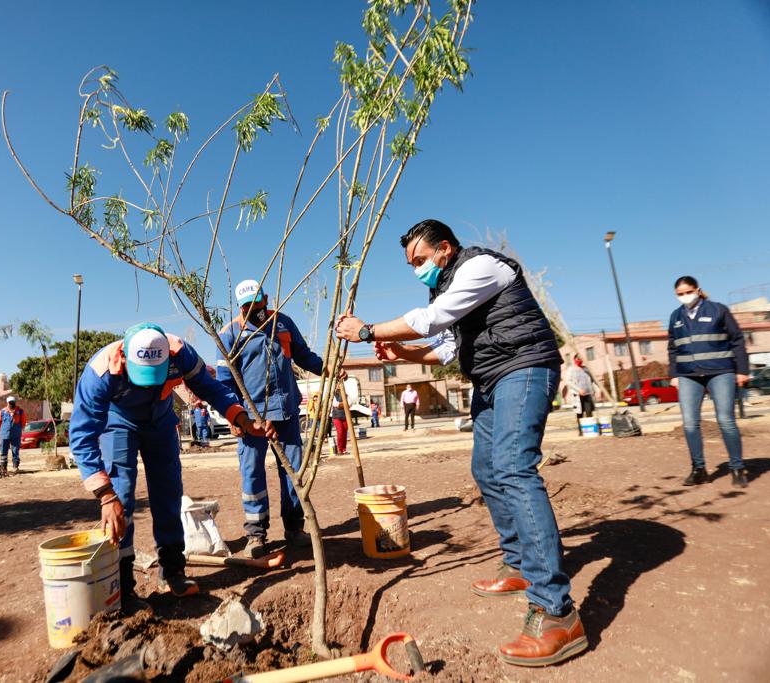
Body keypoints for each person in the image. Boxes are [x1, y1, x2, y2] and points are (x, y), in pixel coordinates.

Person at [335, 219, 584, 667]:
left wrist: (369, 331)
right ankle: (520, 567)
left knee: (512, 468)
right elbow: (447, 349)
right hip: (491, 377)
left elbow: (432, 320)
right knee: (486, 470)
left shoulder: (480, 268)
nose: (416, 270)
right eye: (410, 264)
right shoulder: (448, 287)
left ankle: (557, 613)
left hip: (524, 367)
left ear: (445, 249)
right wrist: (404, 353)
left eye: (419, 260)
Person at [71, 323, 271, 611]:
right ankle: (124, 587)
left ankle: (173, 570)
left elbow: (209, 387)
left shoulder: (180, 354)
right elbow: (82, 434)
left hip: (161, 421)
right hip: (118, 423)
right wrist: (105, 495)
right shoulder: (101, 372)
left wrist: (239, 418)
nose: (151, 383)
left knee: (168, 493)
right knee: (122, 498)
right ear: (126, 358)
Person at [216, 279, 329, 559]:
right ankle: (256, 534)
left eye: (259, 304)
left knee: (293, 472)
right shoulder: (230, 334)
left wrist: (326, 369)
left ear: (266, 298)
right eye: (248, 307)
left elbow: (303, 356)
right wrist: (234, 415)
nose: (255, 310)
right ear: (240, 306)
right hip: (252, 417)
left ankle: (294, 528)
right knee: (252, 473)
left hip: (287, 411)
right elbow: (224, 381)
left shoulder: (283, 323)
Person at [668, 276, 749, 488]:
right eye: (680, 294)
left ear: (698, 290)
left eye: (688, 292)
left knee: (725, 420)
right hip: (688, 375)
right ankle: (699, 469)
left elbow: (737, 339)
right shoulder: (675, 317)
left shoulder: (718, 310)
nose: (685, 297)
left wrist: (742, 370)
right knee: (689, 424)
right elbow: (673, 348)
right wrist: (674, 374)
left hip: (720, 371)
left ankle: (737, 468)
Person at [565, 356, 596, 435]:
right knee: (580, 412)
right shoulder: (571, 369)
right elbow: (568, 381)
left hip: (587, 393)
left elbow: (592, 380)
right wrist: (579, 390)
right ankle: (581, 431)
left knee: (589, 411)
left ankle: (590, 429)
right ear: (574, 359)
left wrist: (595, 390)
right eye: (578, 359)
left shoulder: (585, 369)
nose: (579, 360)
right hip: (577, 394)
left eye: (581, 358)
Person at [0, 397, 26, 471]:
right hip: (4, 435)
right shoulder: (2, 411)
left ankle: (15, 467)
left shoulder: (20, 411)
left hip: (15, 435)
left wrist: (18, 429)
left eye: (13, 402)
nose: (12, 404)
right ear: (7, 403)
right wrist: (3, 429)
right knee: (3, 451)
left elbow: (23, 422)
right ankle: (3, 468)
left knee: (15, 450)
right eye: (10, 402)